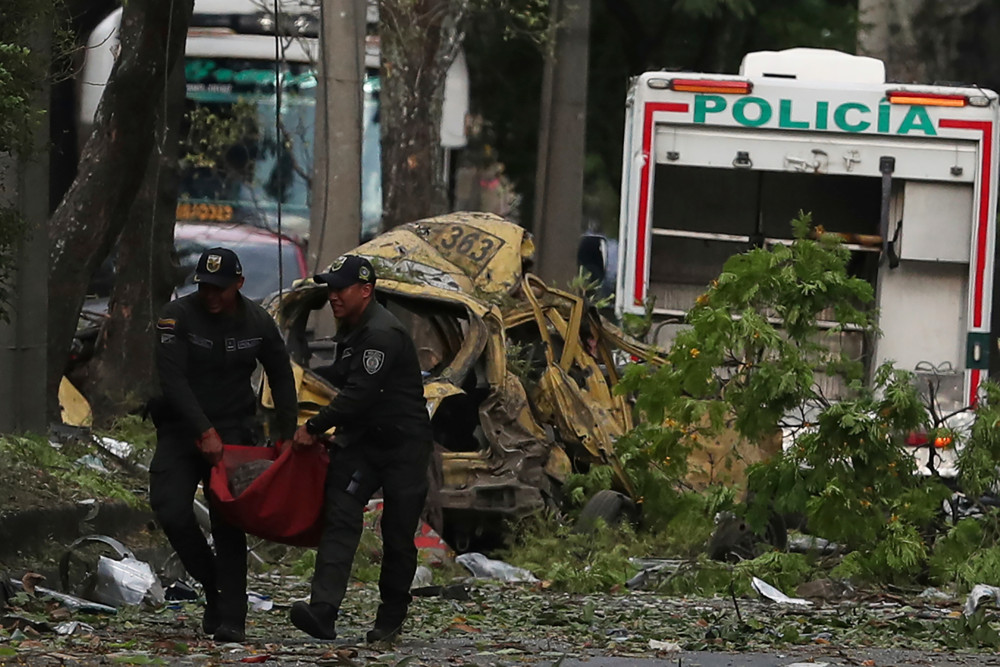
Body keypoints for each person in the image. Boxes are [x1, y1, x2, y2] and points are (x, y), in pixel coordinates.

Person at [148, 246, 298, 643]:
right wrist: (203, 430)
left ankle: (233, 616)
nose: (212, 296)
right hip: (182, 430)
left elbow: (282, 374)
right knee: (170, 508)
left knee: (229, 523)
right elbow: (173, 380)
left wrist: (286, 434)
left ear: (239, 284)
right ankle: (213, 583)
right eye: (205, 287)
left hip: (234, 432)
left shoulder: (257, 321)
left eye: (220, 288)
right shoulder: (176, 317)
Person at [289, 254, 432, 643]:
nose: (333, 296)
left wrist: (313, 426)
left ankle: (389, 620)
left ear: (365, 290)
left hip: (403, 446)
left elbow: (358, 394)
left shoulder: (382, 333)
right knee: (340, 515)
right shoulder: (352, 327)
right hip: (363, 444)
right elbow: (344, 377)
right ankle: (323, 611)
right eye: (330, 289)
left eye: (341, 288)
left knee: (397, 533)